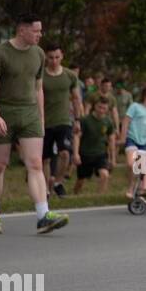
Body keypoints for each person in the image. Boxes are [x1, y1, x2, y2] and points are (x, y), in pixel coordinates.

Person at [0, 15, 69, 235]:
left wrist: (40, 118)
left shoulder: (39, 54)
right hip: (4, 112)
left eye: (40, 31)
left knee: (35, 164)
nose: (40, 34)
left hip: (29, 113)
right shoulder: (0, 53)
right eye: (36, 31)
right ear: (22, 30)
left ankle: (43, 215)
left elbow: (38, 88)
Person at [40, 43, 82, 199]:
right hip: (44, 122)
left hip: (64, 120)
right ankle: (45, 189)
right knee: (45, 158)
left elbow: (76, 98)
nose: (54, 61)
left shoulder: (70, 75)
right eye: (51, 58)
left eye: (57, 57)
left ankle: (58, 182)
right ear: (46, 58)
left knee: (65, 153)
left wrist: (77, 120)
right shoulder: (41, 75)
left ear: (62, 56)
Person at [121, 84, 146, 191]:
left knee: (138, 169)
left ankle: (136, 191)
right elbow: (126, 121)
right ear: (145, 96)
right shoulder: (135, 106)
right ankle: (130, 186)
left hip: (144, 143)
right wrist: (123, 137)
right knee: (131, 164)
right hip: (132, 139)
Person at [72, 98, 115, 194]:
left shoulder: (108, 122)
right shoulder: (85, 120)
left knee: (104, 175)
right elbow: (77, 137)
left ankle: (100, 196)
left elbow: (111, 139)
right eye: (99, 107)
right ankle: (76, 193)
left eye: (104, 108)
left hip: (100, 154)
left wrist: (113, 158)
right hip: (85, 153)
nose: (101, 110)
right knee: (81, 180)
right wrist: (76, 154)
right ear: (94, 106)